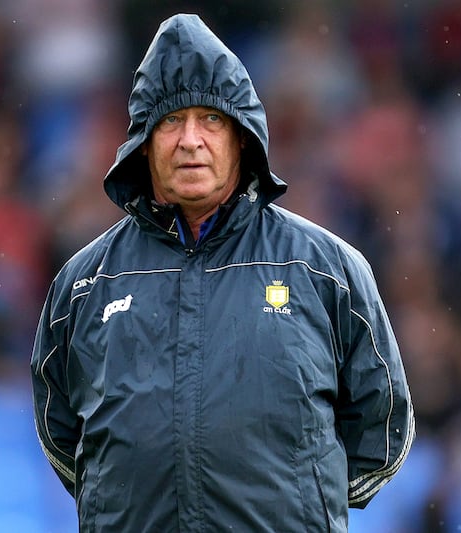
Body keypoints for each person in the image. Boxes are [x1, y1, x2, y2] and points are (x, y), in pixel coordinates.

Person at [31, 13, 414, 532]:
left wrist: (299, 508)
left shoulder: (326, 270)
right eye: (170, 120)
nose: (191, 140)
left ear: (242, 138)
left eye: (211, 119)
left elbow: (383, 428)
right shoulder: (83, 284)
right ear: (144, 142)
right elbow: (62, 438)